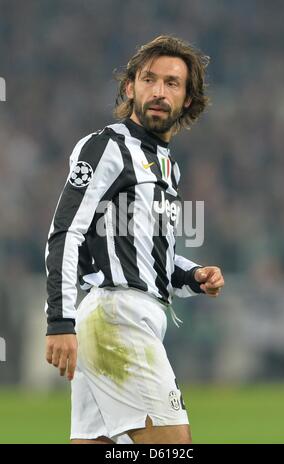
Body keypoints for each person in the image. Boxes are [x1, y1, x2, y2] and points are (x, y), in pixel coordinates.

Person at [45, 35, 224, 445]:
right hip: (116, 317)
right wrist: (59, 320)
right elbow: (66, 231)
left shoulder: (167, 165)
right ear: (130, 88)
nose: (159, 91)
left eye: (172, 83)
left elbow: (152, 252)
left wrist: (194, 275)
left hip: (125, 318)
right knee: (173, 447)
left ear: (188, 100)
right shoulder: (106, 146)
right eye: (149, 79)